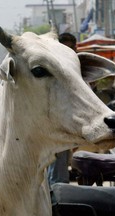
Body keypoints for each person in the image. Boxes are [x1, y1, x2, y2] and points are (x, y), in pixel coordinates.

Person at [47, 32, 77, 187]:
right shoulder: (49, 72)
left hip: (66, 128)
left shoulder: (76, 73)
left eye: (71, 50)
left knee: (59, 169)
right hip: (50, 126)